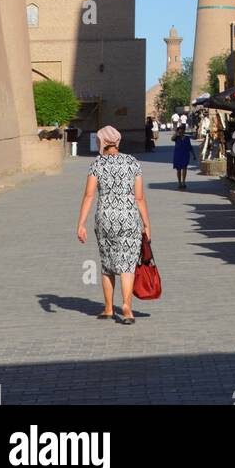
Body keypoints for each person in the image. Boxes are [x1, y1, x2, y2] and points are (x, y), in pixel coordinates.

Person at [77, 125, 149, 324]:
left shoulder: (97, 165)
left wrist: (81, 223)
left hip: (105, 219)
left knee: (107, 265)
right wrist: (146, 224)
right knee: (127, 265)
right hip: (129, 219)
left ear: (101, 142)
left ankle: (108, 308)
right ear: (117, 141)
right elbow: (140, 198)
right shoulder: (133, 162)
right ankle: (127, 308)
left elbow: (89, 195)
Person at [172, 125, 195, 189]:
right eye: (179, 130)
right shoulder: (176, 137)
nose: (181, 131)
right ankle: (179, 182)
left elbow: (190, 146)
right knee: (178, 169)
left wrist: (193, 155)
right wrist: (176, 134)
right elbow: (172, 139)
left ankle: (184, 182)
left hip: (185, 154)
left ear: (184, 131)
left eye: (182, 130)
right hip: (178, 155)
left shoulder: (187, 138)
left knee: (184, 168)